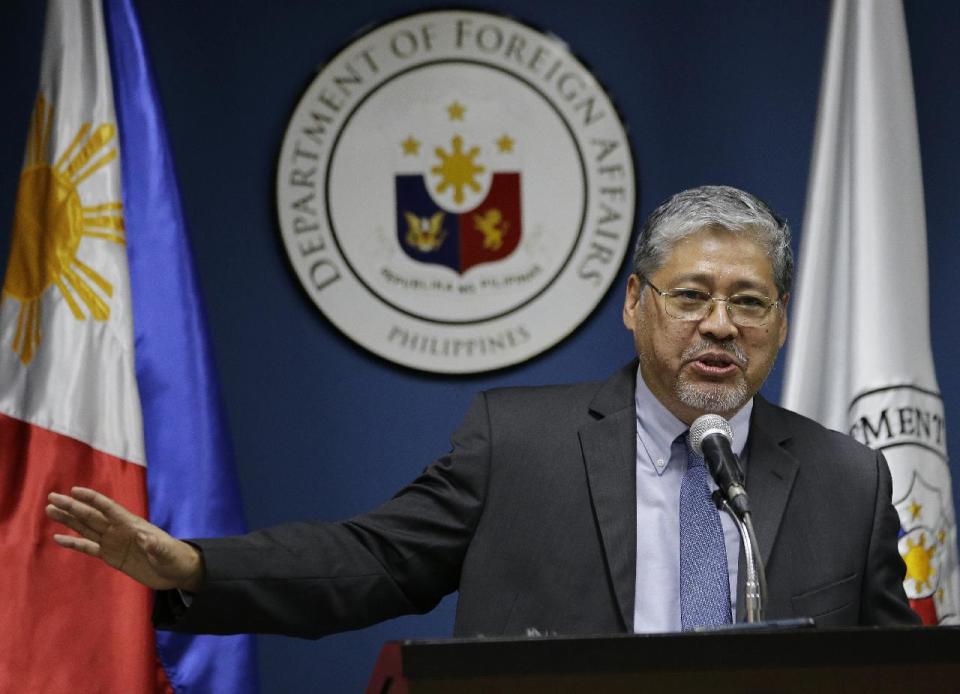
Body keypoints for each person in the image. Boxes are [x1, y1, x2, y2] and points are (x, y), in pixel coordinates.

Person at [46, 185, 919, 637]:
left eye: (751, 302)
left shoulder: (847, 475)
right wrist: (196, 568)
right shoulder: (519, 442)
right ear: (635, 304)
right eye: (692, 295)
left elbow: (892, 672)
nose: (720, 324)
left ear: (782, 321)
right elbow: (374, 561)